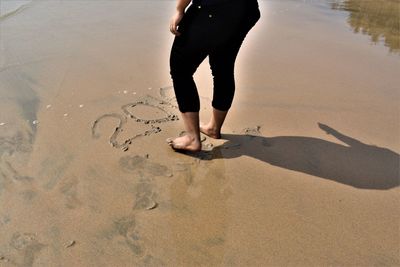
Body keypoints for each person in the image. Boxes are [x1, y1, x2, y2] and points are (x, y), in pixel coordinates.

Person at [167, 0, 260, 152]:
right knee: (223, 66)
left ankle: (192, 138)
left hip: (212, 9)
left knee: (181, 69)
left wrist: (180, 9)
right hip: (245, 10)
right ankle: (213, 128)